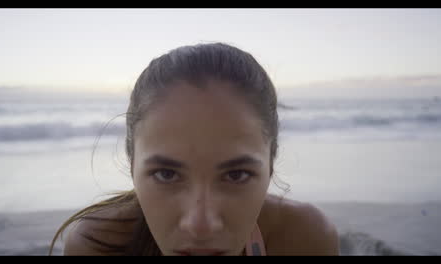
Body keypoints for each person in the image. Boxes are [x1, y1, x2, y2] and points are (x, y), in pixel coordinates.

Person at [49, 42, 339, 256]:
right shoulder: (100, 245)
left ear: (271, 163)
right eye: (166, 174)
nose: (201, 226)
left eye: (236, 175)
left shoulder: (303, 239)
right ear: (132, 162)